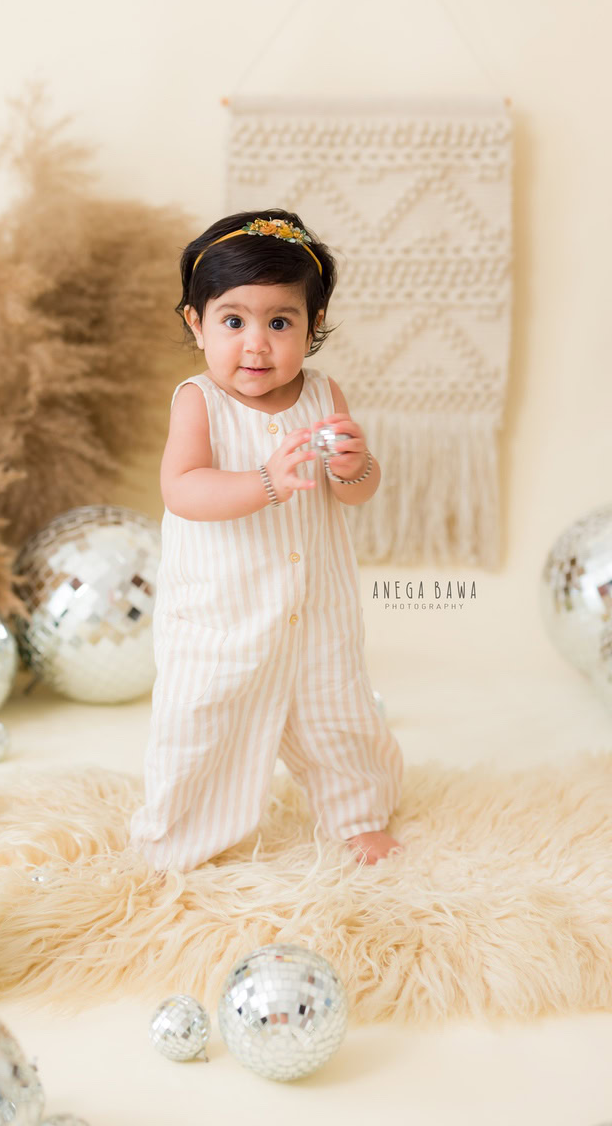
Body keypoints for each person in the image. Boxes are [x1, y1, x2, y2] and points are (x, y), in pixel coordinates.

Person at [128, 210, 404, 873]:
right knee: (201, 722)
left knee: (337, 714)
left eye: (280, 322)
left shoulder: (322, 393)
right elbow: (183, 489)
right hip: (221, 617)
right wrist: (264, 481)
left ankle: (358, 816)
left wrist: (352, 466)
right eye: (234, 321)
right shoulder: (198, 402)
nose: (256, 344)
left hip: (317, 612)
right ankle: (176, 840)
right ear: (197, 324)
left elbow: (357, 490)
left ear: (311, 329)